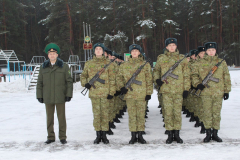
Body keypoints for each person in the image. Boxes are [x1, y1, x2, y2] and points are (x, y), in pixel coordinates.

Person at [191, 42, 231, 142]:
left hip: (218, 92)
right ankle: (208, 133)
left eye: (213, 50)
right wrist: (197, 84)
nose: (211, 52)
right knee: (207, 113)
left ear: (216, 50)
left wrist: (226, 91)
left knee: (216, 114)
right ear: (206, 51)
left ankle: (215, 133)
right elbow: (194, 75)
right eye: (209, 50)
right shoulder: (199, 62)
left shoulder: (221, 62)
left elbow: (226, 77)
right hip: (205, 92)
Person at [153, 38, 190, 144]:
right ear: (166, 47)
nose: (172, 47)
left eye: (174, 45)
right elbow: (156, 71)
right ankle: (169, 134)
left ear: (176, 46)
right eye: (170, 45)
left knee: (177, 113)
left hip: (178, 90)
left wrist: (186, 89)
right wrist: (157, 80)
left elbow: (187, 75)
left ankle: (177, 134)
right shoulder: (161, 58)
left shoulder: (182, 58)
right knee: (168, 113)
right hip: (166, 90)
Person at [36, 43, 73, 144]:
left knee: (61, 118)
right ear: (48, 55)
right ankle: (50, 137)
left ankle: (62, 137)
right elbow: (39, 82)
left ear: (57, 55)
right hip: (47, 96)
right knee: (49, 118)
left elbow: (69, 81)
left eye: (54, 53)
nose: (52, 55)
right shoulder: (43, 67)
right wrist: (39, 95)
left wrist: (68, 94)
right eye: (50, 53)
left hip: (60, 95)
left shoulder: (64, 67)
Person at [80, 42, 116, 144]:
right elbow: (83, 76)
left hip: (105, 94)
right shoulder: (89, 63)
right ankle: (98, 135)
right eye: (96, 49)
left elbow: (113, 79)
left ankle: (104, 135)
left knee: (105, 115)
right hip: (94, 93)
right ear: (94, 51)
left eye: (100, 49)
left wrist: (111, 92)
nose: (98, 51)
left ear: (103, 51)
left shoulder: (109, 64)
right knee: (96, 115)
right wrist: (85, 84)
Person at [117, 44, 153, 144]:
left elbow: (149, 79)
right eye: (132, 51)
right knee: (132, 115)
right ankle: (133, 135)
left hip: (141, 94)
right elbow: (119, 78)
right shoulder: (124, 65)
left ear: (139, 52)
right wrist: (122, 87)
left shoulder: (145, 65)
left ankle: (140, 135)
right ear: (130, 53)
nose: (134, 52)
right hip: (129, 94)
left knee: (141, 115)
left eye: (136, 51)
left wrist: (149, 92)